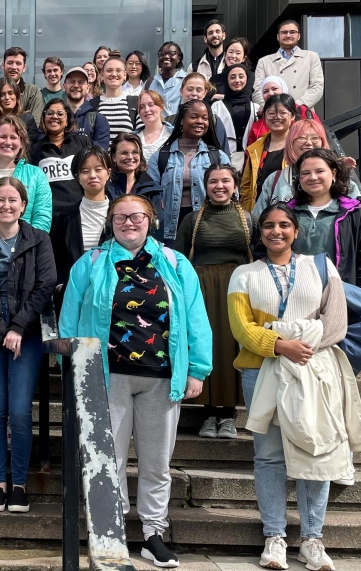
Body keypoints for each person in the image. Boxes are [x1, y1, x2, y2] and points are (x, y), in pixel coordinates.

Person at [59, 194, 212, 569]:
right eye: (120, 217)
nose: (129, 222)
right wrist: (78, 366)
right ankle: (110, 535)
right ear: (110, 222)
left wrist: (197, 368)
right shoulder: (90, 263)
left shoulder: (176, 263)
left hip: (161, 378)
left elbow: (195, 317)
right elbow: (68, 321)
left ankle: (153, 534)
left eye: (136, 216)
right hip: (107, 377)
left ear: (152, 219)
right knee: (106, 460)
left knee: (156, 462)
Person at [228, 202, 361, 571]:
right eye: (269, 226)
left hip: (312, 368)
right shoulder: (244, 274)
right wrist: (278, 345)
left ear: (296, 230)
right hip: (260, 372)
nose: (276, 232)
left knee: (316, 450)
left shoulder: (321, 267)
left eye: (284, 225)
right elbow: (241, 329)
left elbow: (337, 322)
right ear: (260, 233)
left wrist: (297, 345)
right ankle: (274, 536)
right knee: (269, 455)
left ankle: (312, 539)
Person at [0, 177, 56, 514]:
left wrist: (17, 327)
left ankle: (18, 485)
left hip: (27, 334)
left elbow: (45, 285)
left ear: (23, 205)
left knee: (19, 411)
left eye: (13, 200)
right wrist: (1, 330)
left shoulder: (39, 240)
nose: (6, 206)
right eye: (0, 200)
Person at [173, 165, 255, 440]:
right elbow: (179, 259)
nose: (219, 186)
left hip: (238, 290)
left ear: (234, 186)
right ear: (205, 185)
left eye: (225, 181)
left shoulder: (247, 218)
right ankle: (208, 413)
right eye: (213, 181)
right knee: (206, 345)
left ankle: (229, 414)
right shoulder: (192, 219)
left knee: (232, 347)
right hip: (202, 289)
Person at [288, 149, 361, 297]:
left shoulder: (353, 214)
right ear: (299, 178)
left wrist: (359, 294)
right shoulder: (285, 214)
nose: (313, 177)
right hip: (293, 296)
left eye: (319, 171)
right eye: (305, 173)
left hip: (340, 298)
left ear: (333, 173)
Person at [147, 99, 231, 245]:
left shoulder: (218, 156)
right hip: (170, 229)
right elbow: (150, 196)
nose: (200, 121)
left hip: (208, 227)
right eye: (194, 117)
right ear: (181, 120)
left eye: (205, 118)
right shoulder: (161, 156)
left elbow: (232, 194)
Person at [253, 119, 361, 217]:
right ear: (290, 143)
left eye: (315, 138)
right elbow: (257, 220)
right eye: (301, 138)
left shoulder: (344, 183)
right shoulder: (274, 180)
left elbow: (359, 223)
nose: (308, 143)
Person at [48, 146, 113, 285]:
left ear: (108, 173)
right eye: (85, 171)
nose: (92, 175)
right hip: (74, 291)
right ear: (77, 177)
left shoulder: (120, 214)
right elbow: (56, 258)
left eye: (98, 169)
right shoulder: (66, 216)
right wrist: (60, 287)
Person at [31, 98, 93, 212]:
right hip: (49, 215)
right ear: (44, 118)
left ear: (67, 120)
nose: (54, 117)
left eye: (60, 114)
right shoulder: (34, 149)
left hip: (81, 212)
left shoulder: (82, 143)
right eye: (50, 113)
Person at [240, 93, 297, 212]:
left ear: (292, 116)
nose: (277, 117)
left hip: (291, 211)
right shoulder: (255, 148)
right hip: (260, 212)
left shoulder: (299, 145)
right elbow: (246, 187)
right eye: (271, 113)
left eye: (283, 113)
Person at [253, 20, 324, 109]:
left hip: (302, 114)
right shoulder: (264, 62)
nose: (288, 35)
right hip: (274, 116)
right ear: (278, 36)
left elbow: (317, 87)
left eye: (292, 32)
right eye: (284, 32)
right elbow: (257, 91)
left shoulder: (311, 57)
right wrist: (271, 108)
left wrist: (294, 107)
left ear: (299, 36)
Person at [246, 76, 322, 146]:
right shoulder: (259, 121)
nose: (271, 93)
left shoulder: (301, 111)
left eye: (274, 89)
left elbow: (319, 136)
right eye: (266, 91)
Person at [0, 47, 44, 123]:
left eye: (18, 63)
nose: (13, 67)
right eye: (10, 63)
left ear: (24, 68)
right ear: (3, 66)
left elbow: (34, 124)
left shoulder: (33, 93)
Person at [211, 63, 258, 169]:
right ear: (226, 81)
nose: (237, 80)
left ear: (247, 78)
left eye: (241, 76)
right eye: (232, 77)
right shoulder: (216, 107)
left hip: (251, 162)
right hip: (223, 161)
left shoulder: (255, 107)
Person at [171, 73, 230, 153]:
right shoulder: (170, 120)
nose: (194, 94)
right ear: (181, 91)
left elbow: (223, 152)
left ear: (205, 93)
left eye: (199, 90)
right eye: (190, 89)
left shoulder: (213, 120)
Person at [89, 57, 142, 144]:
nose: (114, 74)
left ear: (125, 75)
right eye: (109, 70)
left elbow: (143, 137)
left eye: (118, 70)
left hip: (127, 157)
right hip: (100, 157)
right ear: (102, 75)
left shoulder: (135, 102)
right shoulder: (92, 105)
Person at [63, 67, 111, 150]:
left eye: (81, 82)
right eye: (72, 82)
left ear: (87, 87)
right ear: (64, 86)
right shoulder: (55, 117)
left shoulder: (99, 119)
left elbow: (101, 151)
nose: (76, 85)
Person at [0, 78, 41, 144]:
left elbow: (32, 147)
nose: (7, 97)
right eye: (2, 94)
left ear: (17, 96)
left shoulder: (27, 119)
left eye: (10, 93)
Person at [145, 42, 187, 116]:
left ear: (178, 58)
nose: (166, 56)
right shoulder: (150, 82)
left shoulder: (186, 80)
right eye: (162, 54)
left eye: (171, 53)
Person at [135, 90, 173, 162]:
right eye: (142, 107)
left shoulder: (172, 135)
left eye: (151, 105)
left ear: (161, 107)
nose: (146, 110)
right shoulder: (134, 137)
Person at [188, 19, 227, 89]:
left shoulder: (233, 62)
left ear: (223, 35)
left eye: (217, 31)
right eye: (210, 33)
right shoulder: (194, 67)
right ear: (205, 39)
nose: (214, 35)